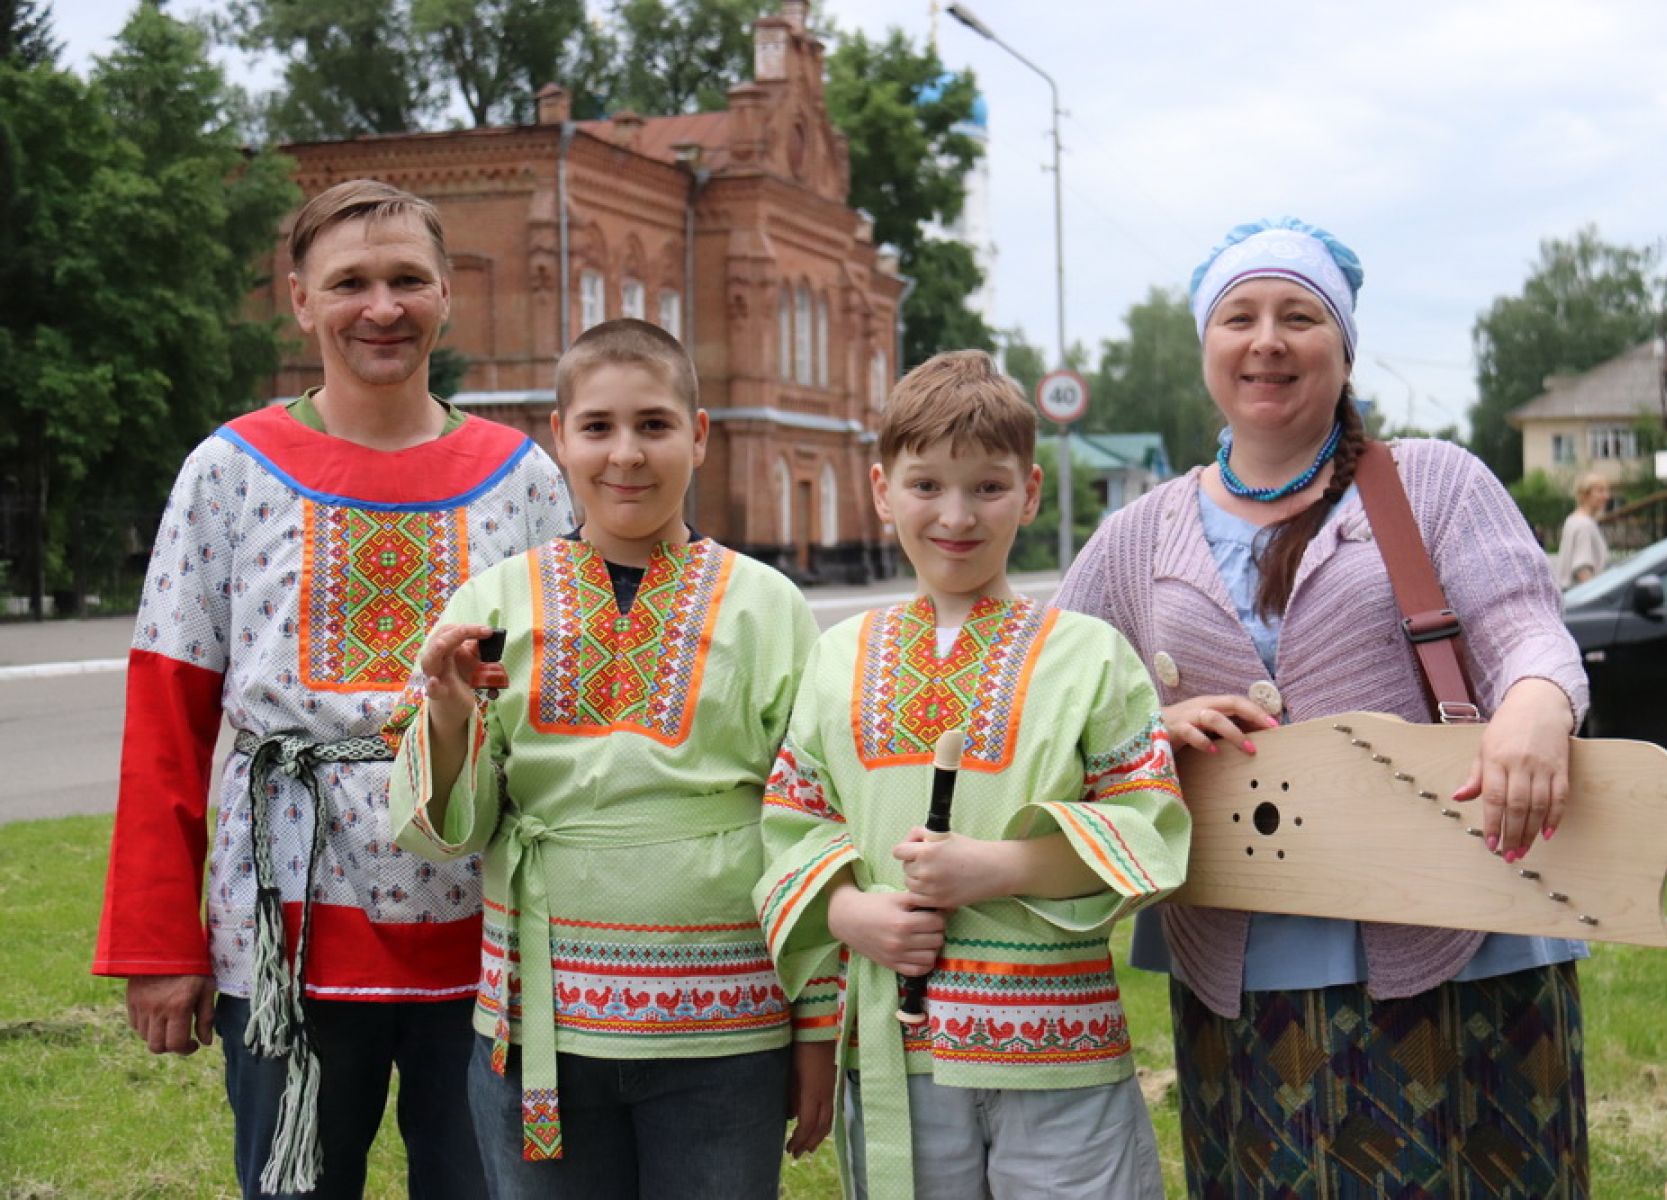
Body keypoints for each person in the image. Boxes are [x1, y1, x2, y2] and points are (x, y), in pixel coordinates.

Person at [1055, 218, 1593, 1197]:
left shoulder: (1435, 483)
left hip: (1464, 932)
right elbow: (1045, 700)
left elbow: (1531, 634)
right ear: (1206, 347)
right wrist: (1141, 736)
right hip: (1247, 957)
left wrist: (1536, 706)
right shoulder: (1140, 535)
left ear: (1343, 348)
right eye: (1240, 316)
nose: (1268, 339)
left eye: (1299, 315)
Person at [93, 179, 572, 1198]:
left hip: (483, 930)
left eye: (407, 279)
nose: (382, 307)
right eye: (350, 282)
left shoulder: (521, 478)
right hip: (285, 927)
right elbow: (167, 717)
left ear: (445, 293)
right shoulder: (230, 473)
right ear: (302, 301)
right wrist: (154, 940)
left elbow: (565, 714)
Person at [386, 318, 826, 1198]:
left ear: (698, 436)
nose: (626, 454)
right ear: (560, 439)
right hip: (539, 1023)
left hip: (726, 1031)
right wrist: (446, 710)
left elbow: (813, 828)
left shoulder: (767, 607)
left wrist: (815, 1029)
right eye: (598, 427)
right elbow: (445, 836)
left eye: (655, 425)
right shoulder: (493, 601)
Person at [756, 350, 1192, 1200]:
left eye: (988, 487)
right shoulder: (837, 657)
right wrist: (850, 913)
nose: (955, 515)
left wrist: (996, 868)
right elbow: (791, 827)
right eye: (926, 486)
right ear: (882, 490)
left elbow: (1152, 828)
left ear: (1029, 493)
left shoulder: (1088, 656)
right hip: (896, 1052)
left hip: (1057, 1053)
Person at [1557, 472, 1612, 587]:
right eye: (1600, 491)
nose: (1607, 496)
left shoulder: (1572, 520)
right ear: (1585, 494)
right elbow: (1582, 568)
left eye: (1607, 491)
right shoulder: (1585, 525)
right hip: (1583, 596)